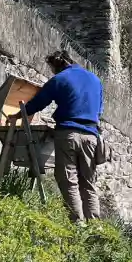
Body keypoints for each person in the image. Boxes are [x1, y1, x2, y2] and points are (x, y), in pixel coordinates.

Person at [22, 50, 104, 223]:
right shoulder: (95, 80)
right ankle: (96, 226)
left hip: (68, 133)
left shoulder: (60, 79)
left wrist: (20, 114)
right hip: (91, 136)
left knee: (68, 179)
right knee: (88, 182)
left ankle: (77, 223)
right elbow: (99, 110)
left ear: (56, 66)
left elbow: (39, 102)